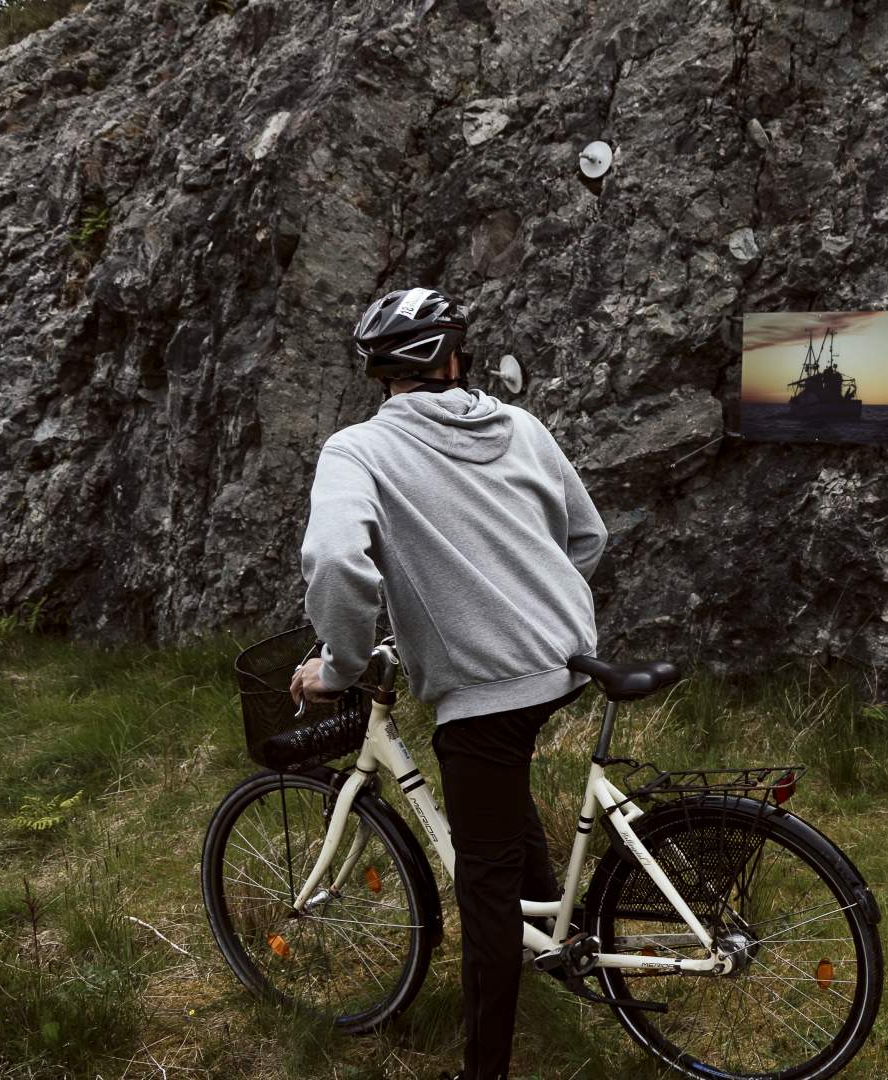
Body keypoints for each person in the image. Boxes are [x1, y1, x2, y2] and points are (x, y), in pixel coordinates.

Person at [289, 287, 607, 1079]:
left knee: (483, 889)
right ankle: (558, 938)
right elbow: (587, 535)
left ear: (378, 372)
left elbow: (334, 563)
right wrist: (532, 609)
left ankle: (485, 1068)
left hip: (490, 690)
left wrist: (340, 666)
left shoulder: (359, 450)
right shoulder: (523, 426)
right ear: (458, 355)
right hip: (567, 656)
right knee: (502, 795)